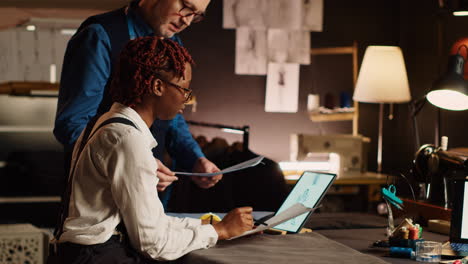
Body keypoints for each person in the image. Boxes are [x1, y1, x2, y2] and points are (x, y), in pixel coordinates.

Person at [54, 36, 254, 263]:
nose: (186, 100)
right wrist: (219, 232)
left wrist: (206, 225)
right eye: (184, 89)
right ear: (158, 86)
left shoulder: (106, 123)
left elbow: (151, 224)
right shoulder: (127, 140)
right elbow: (153, 242)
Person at [53, 0, 220, 202]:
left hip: (149, 197)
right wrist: (137, 163)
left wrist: (195, 159)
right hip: (98, 202)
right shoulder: (100, 35)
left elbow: (171, 117)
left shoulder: (172, 44)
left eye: (197, 14)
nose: (187, 20)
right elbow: (72, 125)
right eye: (185, 6)